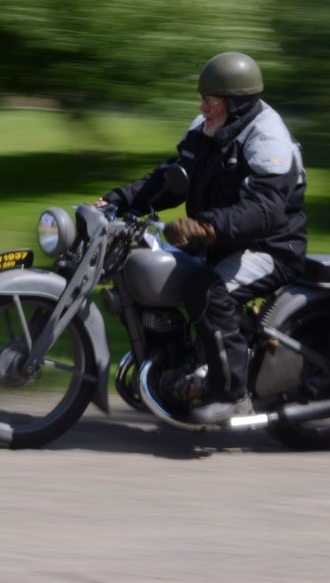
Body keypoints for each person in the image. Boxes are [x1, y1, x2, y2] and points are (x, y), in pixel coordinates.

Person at [96, 52, 307, 424]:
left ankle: (231, 394)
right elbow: (171, 179)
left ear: (236, 103)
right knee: (144, 269)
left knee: (207, 291)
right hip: (218, 242)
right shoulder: (207, 128)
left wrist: (206, 227)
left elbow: (265, 210)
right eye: (203, 98)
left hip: (269, 248)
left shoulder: (267, 137)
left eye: (211, 100)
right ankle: (174, 367)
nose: (203, 106)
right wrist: (116, 201)